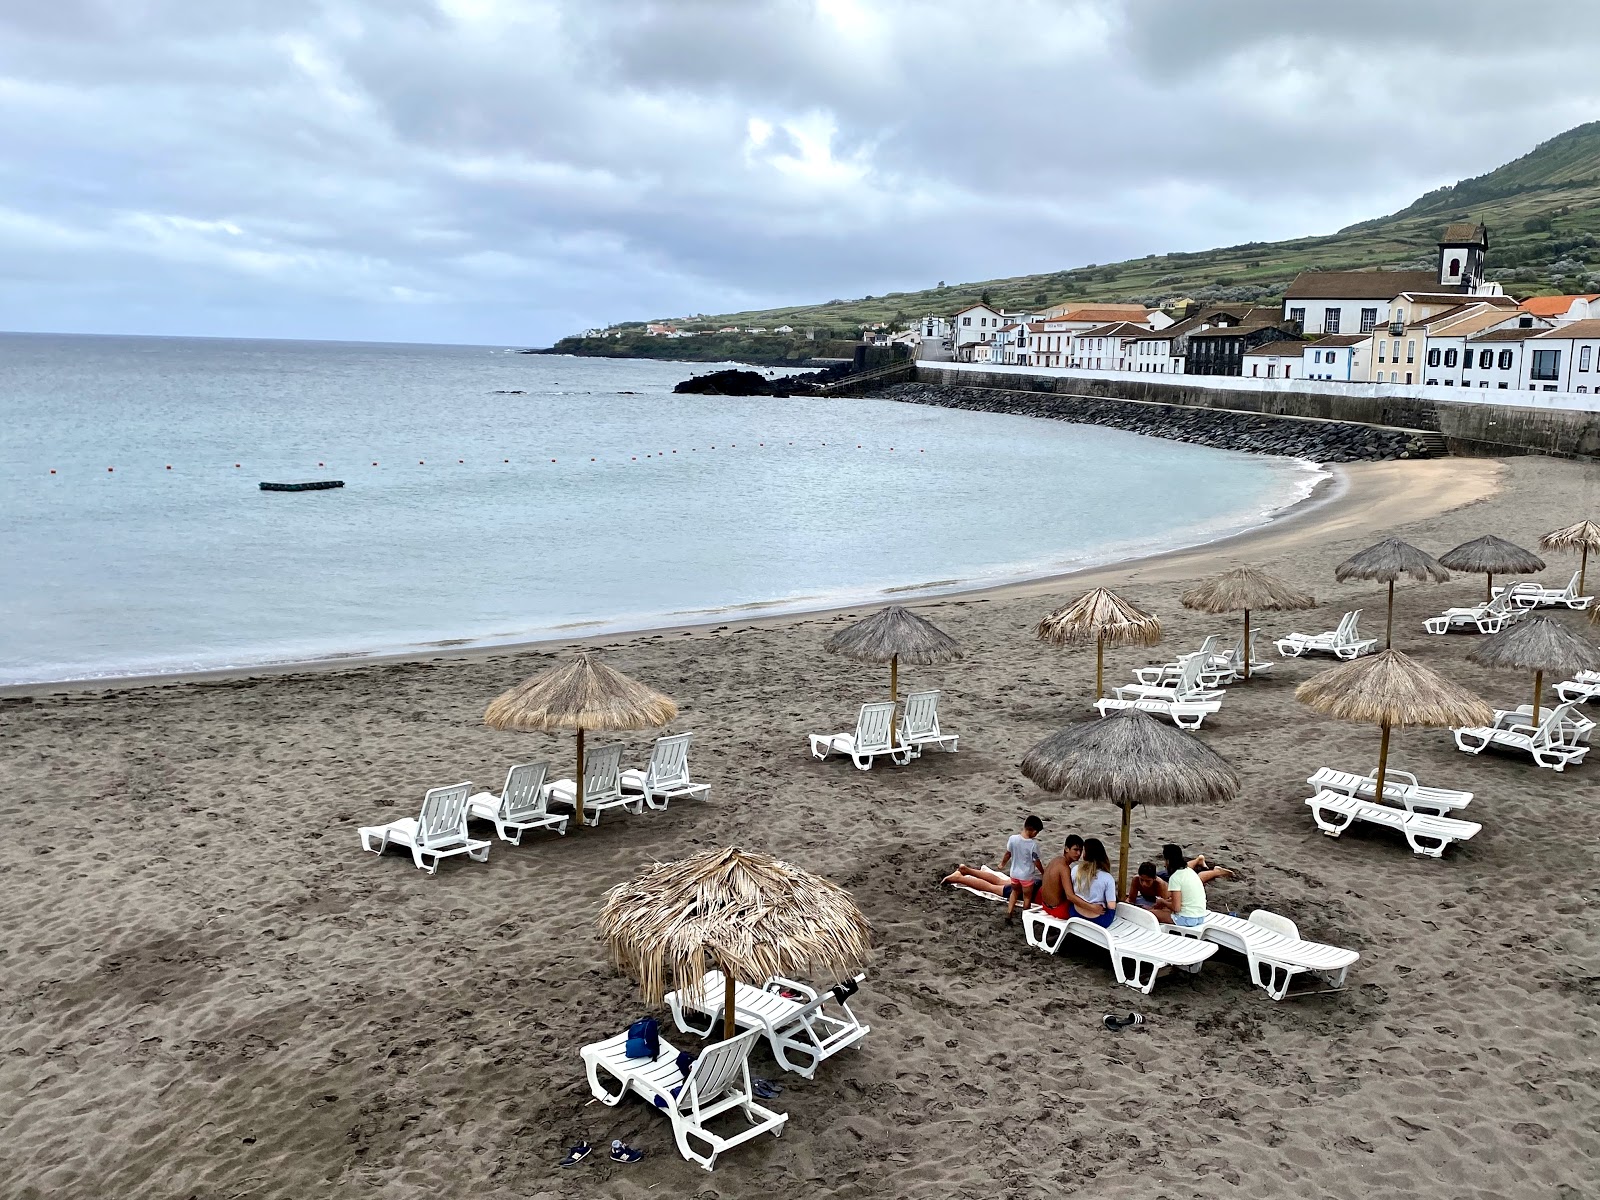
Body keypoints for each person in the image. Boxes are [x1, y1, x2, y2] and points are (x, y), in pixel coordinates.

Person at [1000, 815, 1045, 923]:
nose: (1036, 835)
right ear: (1033, 830)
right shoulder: (1033, 845)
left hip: (1014, 874)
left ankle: (1009, 913)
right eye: (1036, 832)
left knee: (1014, 892)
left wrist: (1002, 864)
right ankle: (1025, 917)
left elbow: (1008, 854)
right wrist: (1043, 872)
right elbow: (1036, 861)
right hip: (1026, 877)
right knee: (1027, 897)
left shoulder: (1013, 839)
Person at [1155, 843, 1208, 928]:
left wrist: (1162, 902)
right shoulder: (1190, 871)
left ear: (1168, 861)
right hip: (1200, 917)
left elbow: (1176, 908)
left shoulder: (1175, 877)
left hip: (1187, 919)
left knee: (1151, 914)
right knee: (1165, 910)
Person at [1068, 837, 1118, 928]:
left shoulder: (1076, 870)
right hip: (1098, 921)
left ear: (1085, 854)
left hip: (1076, 914)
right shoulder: (1107, 878)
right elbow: (1111, 906)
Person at [1035, 835, 1085, 920]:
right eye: (1075, 850)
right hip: (1057, 911)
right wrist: (1091, 907)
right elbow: (1070, 896)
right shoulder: (1065, 868)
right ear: (1066, 849)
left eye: (1080, 850)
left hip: (1044, 904)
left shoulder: (1055, 860)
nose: (1079, 854)